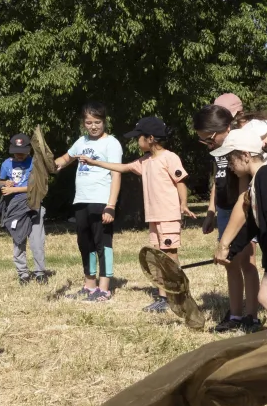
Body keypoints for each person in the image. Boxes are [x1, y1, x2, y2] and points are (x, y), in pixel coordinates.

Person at [82, 116, 195, 313]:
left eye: (139, 137)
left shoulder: (169, 157)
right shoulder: (146, 161)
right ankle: (163, 297)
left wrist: (183, 204)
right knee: (158, 256)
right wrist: (95, 163)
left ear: (150, 138)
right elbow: (123, 167)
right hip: (154, 217)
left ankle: (176, 294)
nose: (137, 141)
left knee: (169, 256)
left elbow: (181, 181)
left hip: (168, 216)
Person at [194, 94, 267, 332]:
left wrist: (226, 243)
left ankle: (252, 316)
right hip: (227, 210)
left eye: (208, 139)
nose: (207, 144)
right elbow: (218, 179)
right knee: (232, 263)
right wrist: (211, 211)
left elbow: (245, 200)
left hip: (243, 212)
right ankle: (235, 315)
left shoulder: (242, 145)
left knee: (247, 261)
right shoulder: (224, 149)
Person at [211, 127, 267, 327]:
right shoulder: (257, 180)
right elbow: (252, 224)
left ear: (245, 156)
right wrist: (231, 251)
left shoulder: (266, 177)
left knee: (266, 297)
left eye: (231, 160)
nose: (229, 167)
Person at [54, 102, 123, 303]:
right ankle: (89, 286)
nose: (93, 126)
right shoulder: (81, 141)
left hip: (101, 200)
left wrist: (111, 205)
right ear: (83, 123)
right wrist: (51, 163)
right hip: (81, 200)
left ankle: (104, 289)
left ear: (104, 121)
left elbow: (117, 175)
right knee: (85, 243)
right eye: (89, 122)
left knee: (103, 244)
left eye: (97, 122)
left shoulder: (112, 143)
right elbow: (65, 159)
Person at [0, 133, 50, 285]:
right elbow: (1, 182)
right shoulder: (6, 164)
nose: (19, 154)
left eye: (22, 151)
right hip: (15, 208)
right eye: (16, 151)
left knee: (37, 241)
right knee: (18, 240)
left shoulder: (35, 163)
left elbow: (37, 187)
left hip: (33, 205)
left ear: (28, 150)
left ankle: (40, 272)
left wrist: (14, 190)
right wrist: (5, 184)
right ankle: (23, 274)